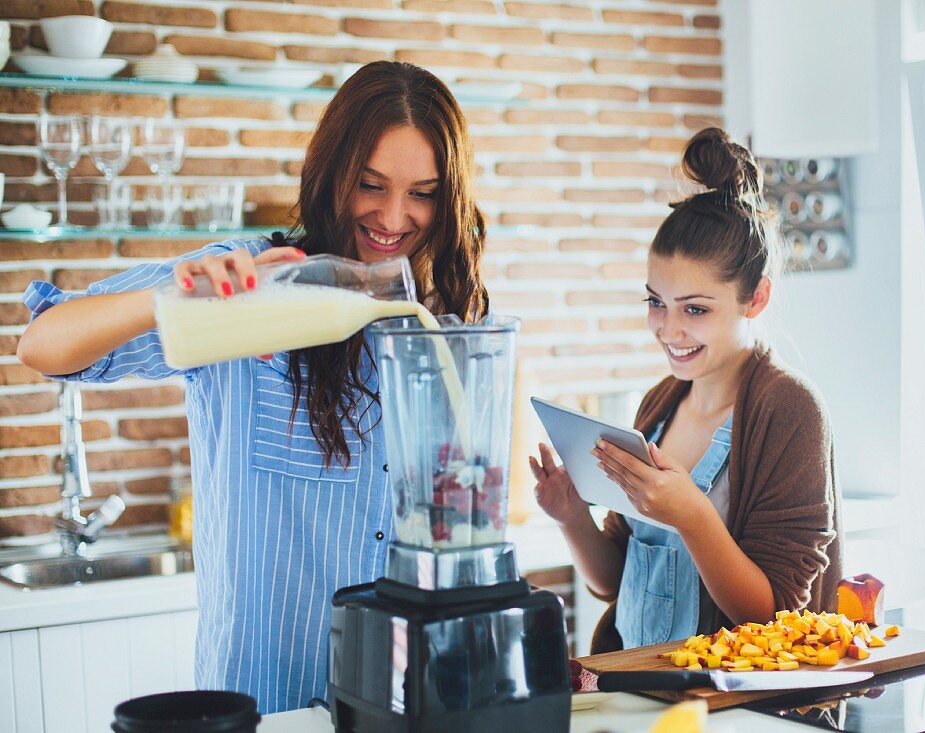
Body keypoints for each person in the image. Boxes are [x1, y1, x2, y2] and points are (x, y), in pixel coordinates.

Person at [17, 61, 489, 713]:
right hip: (269, 705)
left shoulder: (450, 313)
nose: (393, 216)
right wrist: (177, 296)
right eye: (370, 184)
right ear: (333, 175)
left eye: (424, 193)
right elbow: (44, 344)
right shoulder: (252, 285)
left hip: (411, 699)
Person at [530, 127, 842, 653]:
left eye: (695, 309)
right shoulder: (660, 403)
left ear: (756, 298)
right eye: (657, 303)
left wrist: (691, 514)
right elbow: (613, 582)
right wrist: (571, 515)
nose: (668, 330)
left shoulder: (788, 409)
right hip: (637, 692)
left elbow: (779, 614)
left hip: (727, 706)